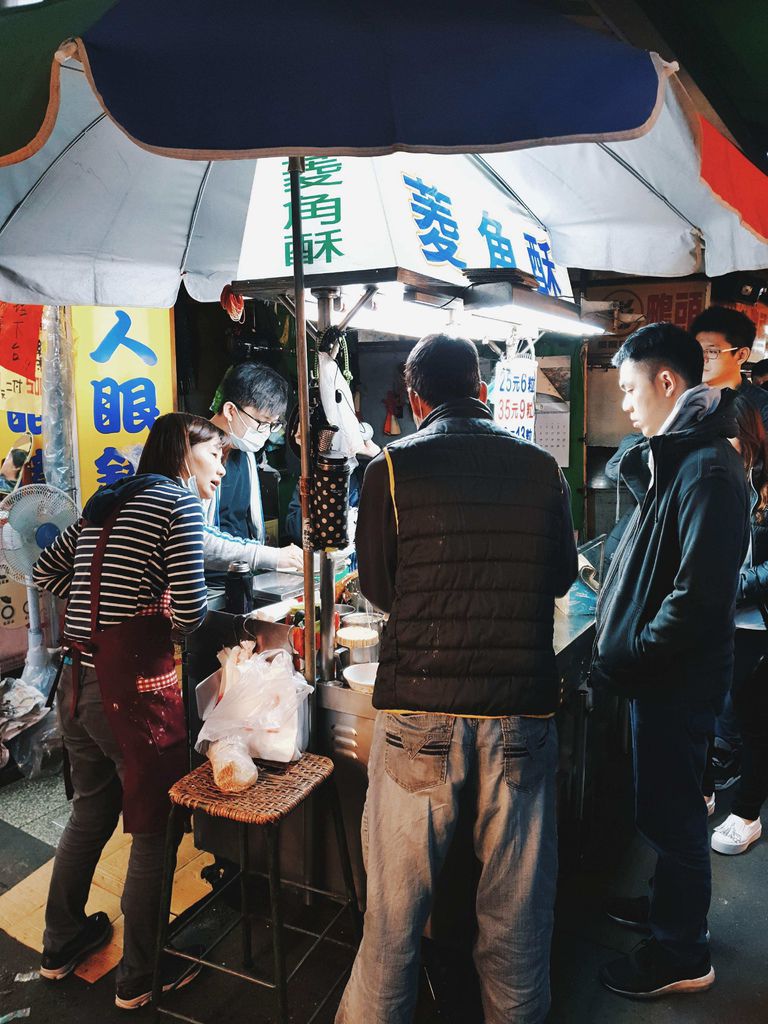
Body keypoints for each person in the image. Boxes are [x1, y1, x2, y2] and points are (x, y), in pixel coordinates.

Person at [335, 334, 578, 1024]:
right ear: (481, 384)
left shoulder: (391, 468)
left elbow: (380, 589)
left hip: (419, 713)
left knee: (392, 924)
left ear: (416, 399)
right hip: (521, 714)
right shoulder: (542, 468)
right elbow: (560, 575)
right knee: (518, 921)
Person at [32, 414, 224, 1010]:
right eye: (214, 455)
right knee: (154, 826)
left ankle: (60, 942)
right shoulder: (177, 507)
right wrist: (146, 608)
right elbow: (190, 613)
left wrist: (100, 608)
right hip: (133, 691)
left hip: (77, 683)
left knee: (90, 813)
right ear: (183, 454)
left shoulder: (104, 501)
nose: (221, 468)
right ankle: (142, 974)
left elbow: (45, 571)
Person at [591, 323, 749, 999]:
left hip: (676, 682)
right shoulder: (677, 458)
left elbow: (698, 596)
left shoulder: (709, 470)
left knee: (679, 816)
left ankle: (683, 952)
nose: (626, 404)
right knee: (665, 808)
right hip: (663, 677)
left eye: (630, 389)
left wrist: (640, 653)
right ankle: (666, 912)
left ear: (666, 383)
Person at [690, 306, 766, 789]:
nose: (701, 360)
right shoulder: (692, 406)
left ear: (741, 354)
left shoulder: (759, 410)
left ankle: (737, 792)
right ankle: (715, 781)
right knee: (712, 703)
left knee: (740, 706)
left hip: (749, 596)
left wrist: (737, 583)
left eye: (710, 351)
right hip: (711, 590)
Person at [709, 395, 768, 855]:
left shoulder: (761, 481)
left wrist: (732, 588)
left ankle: (747, 813)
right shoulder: (719, 477)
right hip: (724, 621)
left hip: (758, 624)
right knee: (716, 710)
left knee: (754, 721)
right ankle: (709, 788)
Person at [204, 361, 302, 597]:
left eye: (273, 424)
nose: (266, 433)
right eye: (262, 423)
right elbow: (196, 539)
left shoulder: (245, 453)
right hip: (207, 588)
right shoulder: (196, 454)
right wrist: (270, 556)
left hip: (241, 580)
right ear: (230, 410)